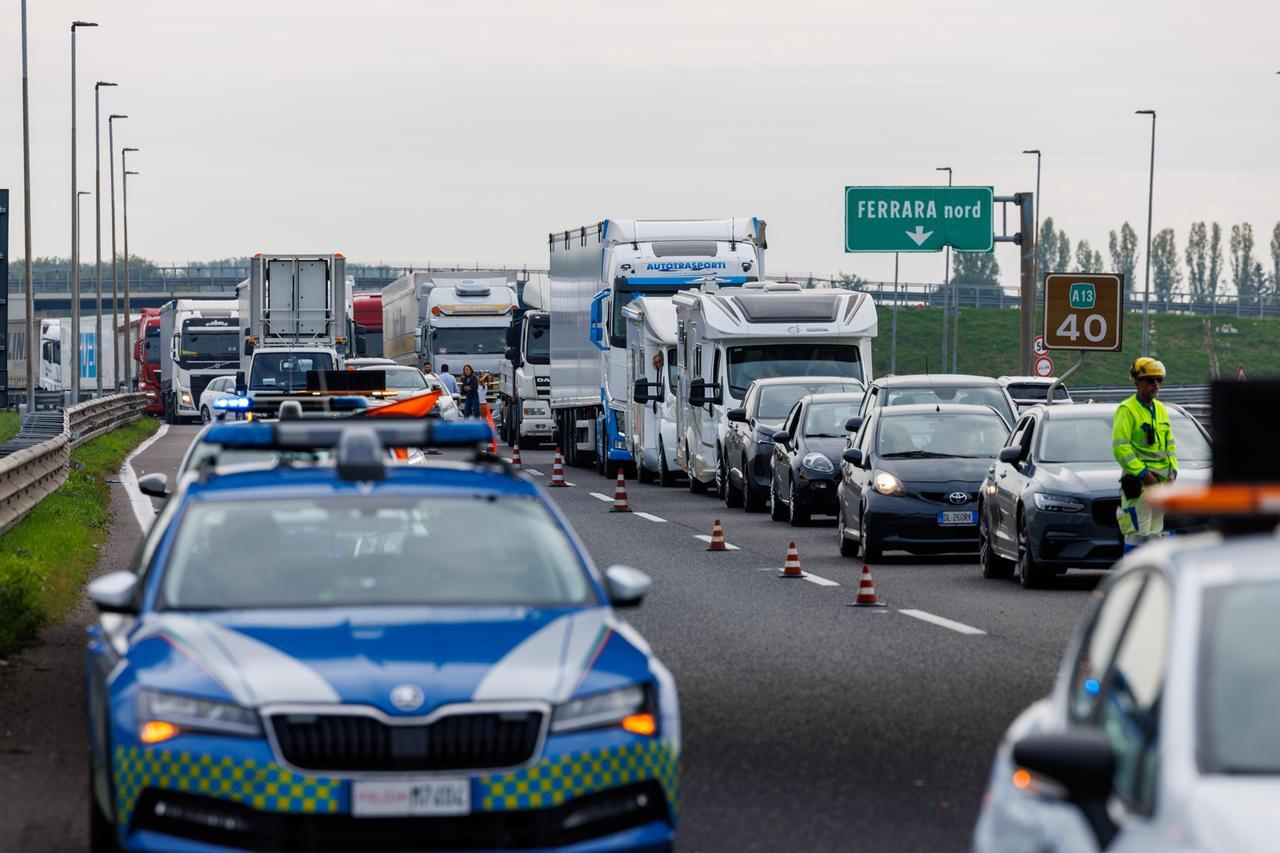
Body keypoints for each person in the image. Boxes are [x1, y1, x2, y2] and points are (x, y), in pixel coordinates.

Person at [1112, 357, 1178, 551]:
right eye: (1150, 380)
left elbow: (1170, 445)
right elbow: (1121, 449)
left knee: (1155, 537)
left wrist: (1174, 471)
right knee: (1136, 536)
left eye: (1159, 380)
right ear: (1137, 382)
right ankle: (1134, 578)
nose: (1155, 384)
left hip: (1161, 484)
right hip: (1139, 485)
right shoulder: (1127, 410)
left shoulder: (1161, 410)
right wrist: (1144, 474)